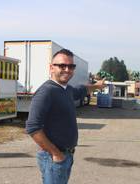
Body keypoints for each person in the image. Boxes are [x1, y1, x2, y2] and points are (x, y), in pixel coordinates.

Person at [25, 49, 105, 184]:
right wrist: (56, 153)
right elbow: (33, 128)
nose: (67, 69)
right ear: (51, 67)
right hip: (53, 157)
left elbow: (81, 90)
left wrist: (96, 86)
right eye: (62, 66)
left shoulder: (66, 89)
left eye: (71, 66)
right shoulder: (46, 92)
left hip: (66, 155)